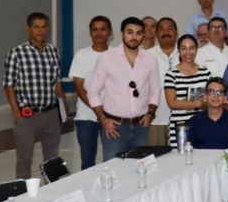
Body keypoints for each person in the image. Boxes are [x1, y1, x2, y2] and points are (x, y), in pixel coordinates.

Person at [3, 12, 68, 179]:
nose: (40, 30)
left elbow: (57, 83)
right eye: (36, 27)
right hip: (27, 115)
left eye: (44, 27)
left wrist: (64, 107)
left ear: (48, 29)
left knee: (52, 157)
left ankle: (51, 188)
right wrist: (17, 114)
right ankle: (24, 190)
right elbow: (9, 86)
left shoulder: (54, 52)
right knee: (24, 159)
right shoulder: (16, 53)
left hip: (51, 113)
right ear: (29, 29)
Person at [88, 17, 161, 156]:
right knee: (113, 167)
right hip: (114, 127)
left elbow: (155, 90)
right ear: (122, 34)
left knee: (139, 166)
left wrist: (151, 113)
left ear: (143, 35)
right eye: (130, 32)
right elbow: (93, 92)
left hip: (141, 126)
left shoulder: (150, 59)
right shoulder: (106, 58)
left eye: (139, 33)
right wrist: (103, 120)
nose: (134, 37)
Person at [69, 15, 112, 170]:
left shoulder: (116, 54)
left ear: (110, 32)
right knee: (87, 161)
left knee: (112, 158)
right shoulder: (81, 55)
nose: (98, 33)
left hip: (112, 115)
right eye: (94, 29)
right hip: (86, 116)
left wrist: (106, 113)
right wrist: (97, 109)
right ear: (90, 33)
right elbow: (79, 87)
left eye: (103, 29)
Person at [164, 34, 212, 147]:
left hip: (202, 125)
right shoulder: (171, 74)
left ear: (196, 49)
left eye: (192, 48)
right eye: (184, 48)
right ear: (178, 50)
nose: (188, 52)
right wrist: (199, 104)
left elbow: (209, 99)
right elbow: (172, 103)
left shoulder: (205, 72)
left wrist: (186, 102)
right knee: (178, 156)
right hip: (179, 126)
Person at [187, 77, 228, 149]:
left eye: (220, 92)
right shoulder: (194, 122)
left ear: (225, 98)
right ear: (205, 97)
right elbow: (190, 151)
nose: (216, 96)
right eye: (212, 92)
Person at [147, 17, 180, 145]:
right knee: (155, 156)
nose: (166, 32)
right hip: (155, 120)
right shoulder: (147, 55)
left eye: (170, 28)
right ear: (156, 33)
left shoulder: (186, 53)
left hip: (182, 118)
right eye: (161, 29)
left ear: (176, 32)